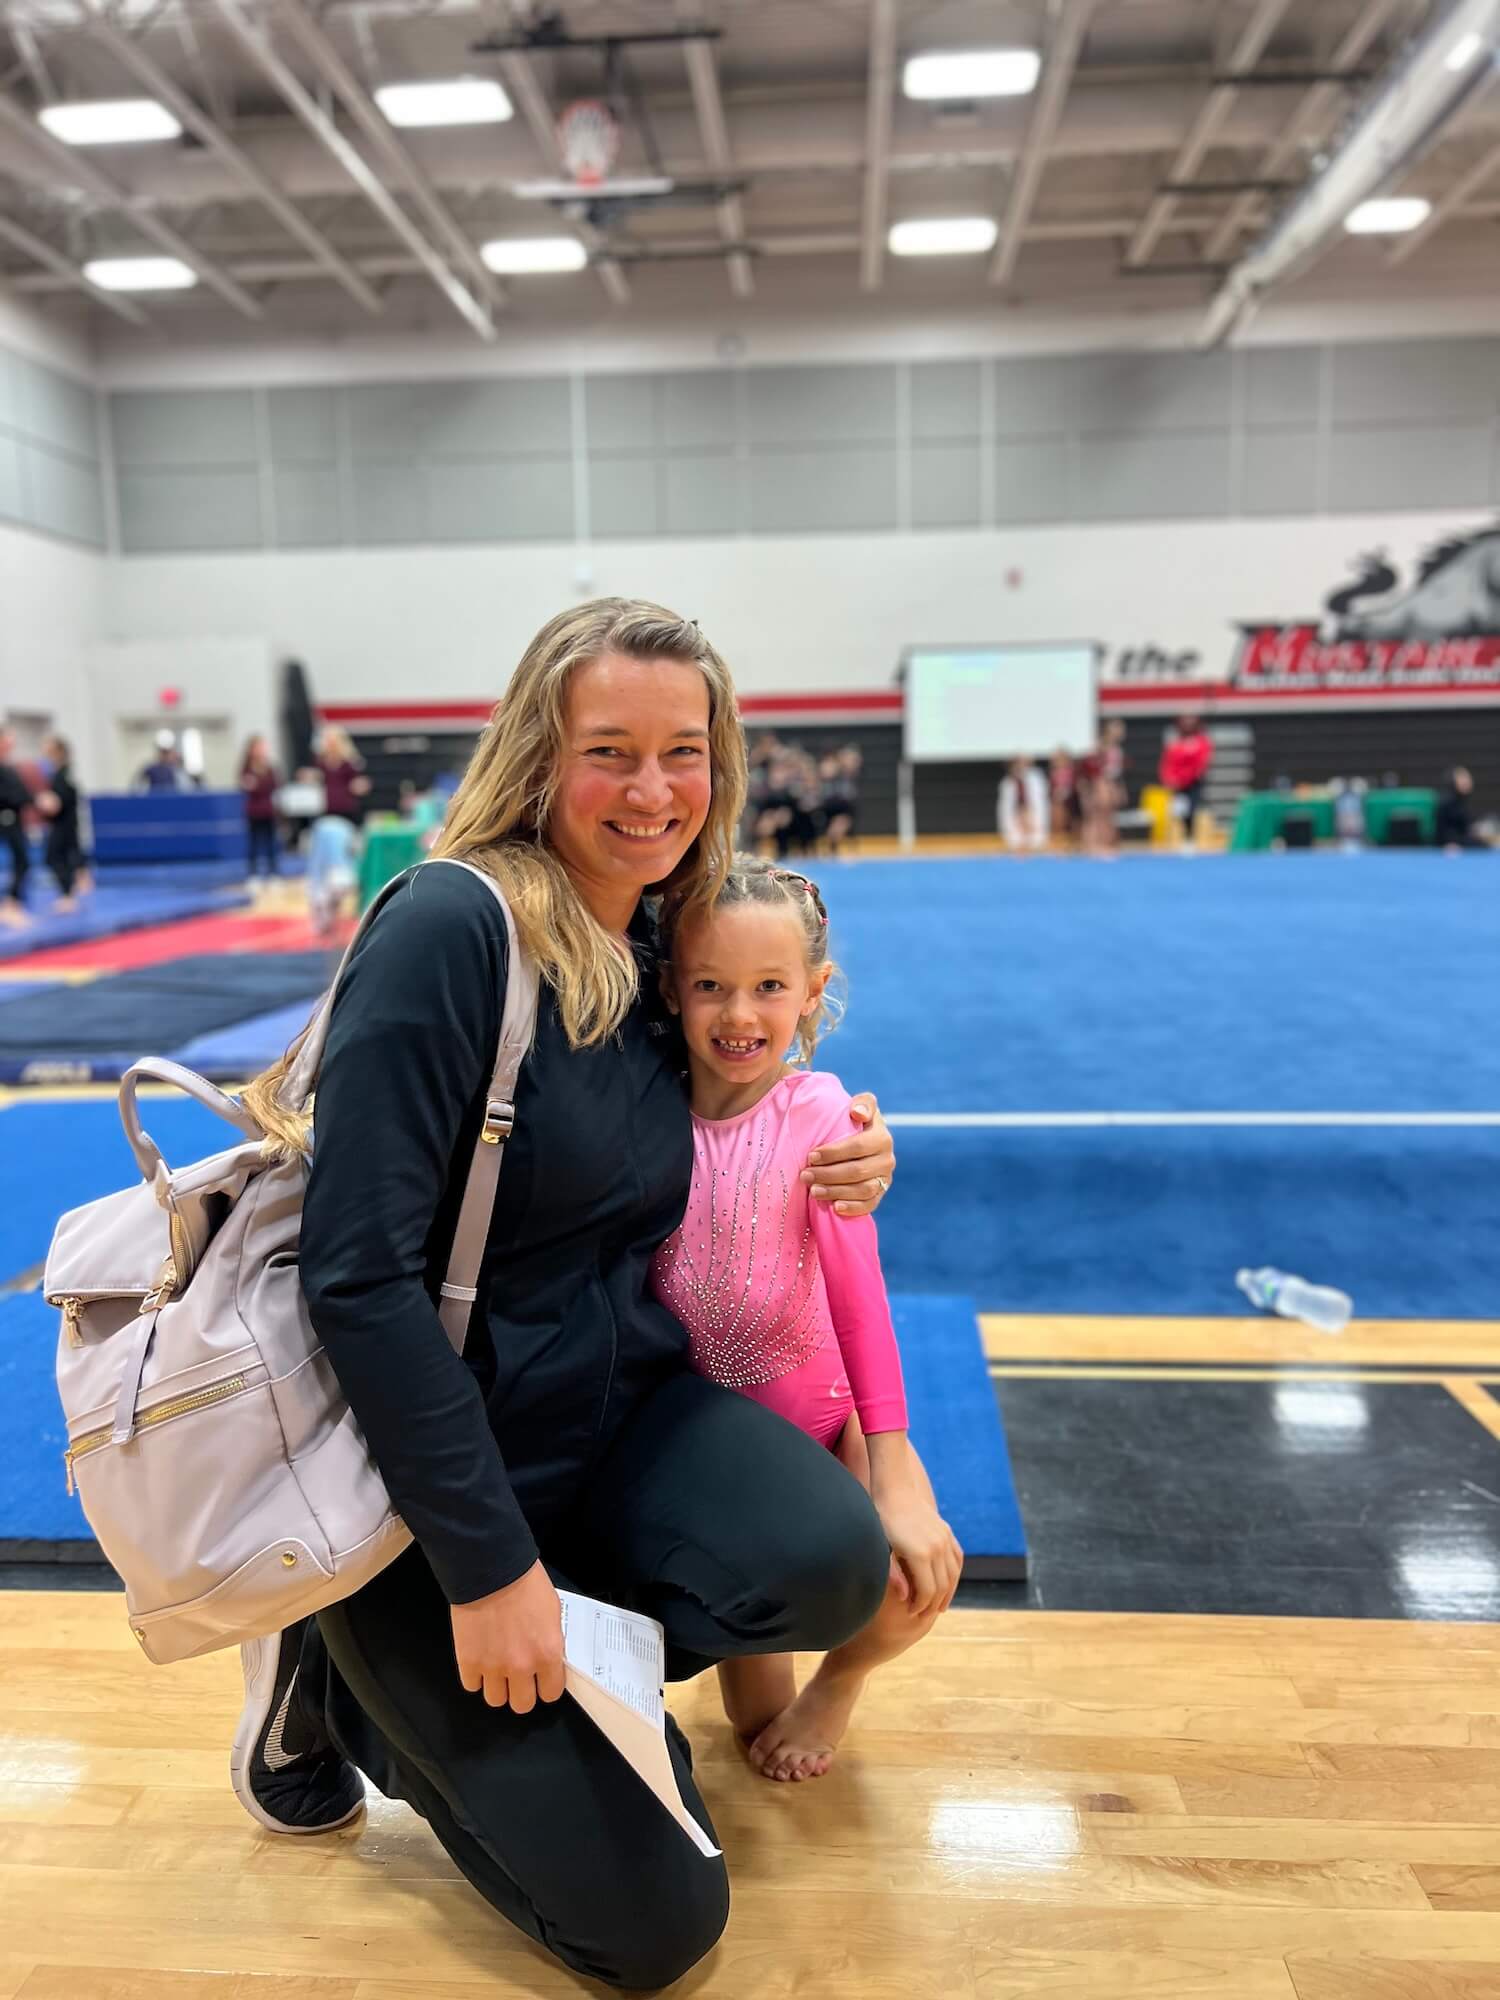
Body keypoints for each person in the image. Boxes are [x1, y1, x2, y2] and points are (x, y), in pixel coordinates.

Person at [231, 599, 898, 1990]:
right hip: (423, 1491)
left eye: (684, 751)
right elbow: (357, 1278)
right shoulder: (452, 930)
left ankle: (563, 1682)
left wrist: (844, 1139)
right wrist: (486, 1571)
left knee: (830, 1563)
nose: (652, 792)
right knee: (660, 1930)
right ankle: (337, 1670)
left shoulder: (662, 946)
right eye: (610, 751)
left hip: (612, 1423)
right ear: (540, 755)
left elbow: (732, 1100)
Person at [652, 856, 960, 1783]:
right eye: (710, 987)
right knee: (752, 1721)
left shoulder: (822, 1116)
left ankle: (844, 1680)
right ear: (671, 988)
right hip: (716, 1441)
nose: (738, 1016)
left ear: (813, 994)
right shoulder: (646, 1111)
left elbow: (861, 1299)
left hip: (824, 1415)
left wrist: (891, 1461)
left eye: (768, 988)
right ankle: (758, 1653)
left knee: (914, 1572)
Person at [0, 727, 46, 927]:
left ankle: (13, 903)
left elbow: (19, 794)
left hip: (13, 819)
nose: (12, 744)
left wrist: (35, 799)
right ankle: (10, 904)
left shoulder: (9, 768)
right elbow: (12, 796)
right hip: (6, 818)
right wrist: (36, 800)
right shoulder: (4, 770)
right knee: (22, 860)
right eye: (8, 740)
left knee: (23, 861)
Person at [41, 736, 88, 912]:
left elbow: (66, 798)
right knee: (61, 856)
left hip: (64, 823)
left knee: (54, 857)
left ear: (58, 752)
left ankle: (68, 894)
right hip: (61, 822)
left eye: (49, 749)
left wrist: (51, 803)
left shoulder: (64, 774)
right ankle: (70, 888)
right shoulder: (57, 773)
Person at [1159, 714, 1214, 850]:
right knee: (1179, 812)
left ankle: (1190, 839)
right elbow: (1167, 762)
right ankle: (1177, 839)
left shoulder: (1200, 741)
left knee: (1192, 810)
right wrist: (1169, 779)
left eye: (1191, 723)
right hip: (1177, 784)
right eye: (1185, 723)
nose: (1188, 726)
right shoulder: (1176, 742)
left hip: (1193, 783)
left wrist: (1190, 777)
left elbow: (1202, 762)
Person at [239, 735, 281, 887]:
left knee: (271, 843)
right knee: (253, 843)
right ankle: (253, 874)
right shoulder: (246, 767)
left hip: (268, 810)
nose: (261, 750)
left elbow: (273, 784)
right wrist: (254, 785)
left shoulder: (269, 767)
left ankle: (274, 874)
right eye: (258, 747)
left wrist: (258, 784)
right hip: (254, 811)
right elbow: (245, 785)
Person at [317, 726, 373, 825]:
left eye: (333, 741)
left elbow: (360, 783)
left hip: (346, 807)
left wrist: (360, 785)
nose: (330, 744)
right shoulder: (320, 762)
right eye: (328, 741)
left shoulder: (350, 762)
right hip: (326, 807)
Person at [998, 755, 1049, 851]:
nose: (1018, 769)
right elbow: (1005, 811)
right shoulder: (1007, 785)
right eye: (1015, 766)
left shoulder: (1035, 780)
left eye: (1021, 765)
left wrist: (1031, 820)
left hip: (1034, 825)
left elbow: (1040, 806)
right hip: (1016, 829)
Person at [1436, 766, 1482, 852]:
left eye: (1468, 779)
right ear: (1453, 782)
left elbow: (1464, 826)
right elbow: (1442, 829)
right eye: (1462, 779)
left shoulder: (1463, 801)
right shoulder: (1446, 802)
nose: (1467, 782)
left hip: (1463, 842)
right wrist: (1450, 842)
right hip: (1452, 846)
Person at [135, 730, 192, 794]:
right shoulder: (151, 770)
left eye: (167, 752)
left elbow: (187, 790)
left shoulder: (179, 770)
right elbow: (136, 788)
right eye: (163, 752)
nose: (165, 755)